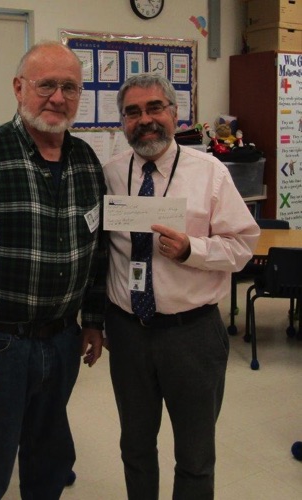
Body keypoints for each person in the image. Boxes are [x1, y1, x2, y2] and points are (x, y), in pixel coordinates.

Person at [0, 41, 107, 499]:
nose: (57, 97)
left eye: (69, 87)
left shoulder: (87, 161)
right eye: (46, 84)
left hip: (63, 342)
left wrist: (94, 321)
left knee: (49, 462)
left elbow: (97, 252)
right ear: (18, 88)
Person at [103, 74, 260, 500]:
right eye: (132, 112)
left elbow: (244, 245)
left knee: (194, 457)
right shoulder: (112, 174)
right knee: (135, 447)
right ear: (122, 122)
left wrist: (194, 248)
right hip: (128, 332)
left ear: (174, 114)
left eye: (155, 108)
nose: (145, 120)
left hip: (192, 335)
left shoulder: (209, 173)